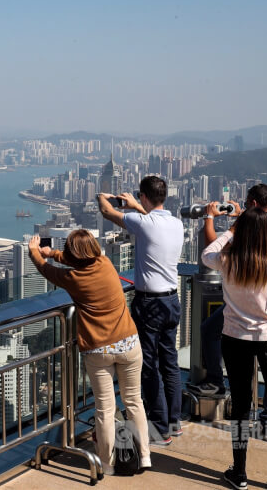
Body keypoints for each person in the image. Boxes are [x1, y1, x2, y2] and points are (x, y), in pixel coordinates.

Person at [27, 231, 151, 475]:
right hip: (129, 343)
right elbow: (79, 258)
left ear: (73, 256)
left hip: (99, 348)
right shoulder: (105, 263)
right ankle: (145, 455)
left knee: (104, 409)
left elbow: (45, 270)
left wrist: (36, 252)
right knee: (134, 401)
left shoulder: (73, 278)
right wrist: (52, 253)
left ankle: (107, 463)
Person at [202, 207, 267, 490]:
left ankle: (240, 472)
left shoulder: (227, 261)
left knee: (241, 406)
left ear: (243, 233)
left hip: (235, 339)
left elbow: (206, 254)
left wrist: (231, 231)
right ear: (266, 234)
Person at [197, 184, 267, 442]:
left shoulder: (257, 228)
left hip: (248, 314)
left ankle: (219, 384)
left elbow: (211, 251)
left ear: (255, 204)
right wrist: (240, 218)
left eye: (247, 205)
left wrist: (217, 221)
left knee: (210, 332)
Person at [98, 176, 184, 445]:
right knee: (170, 363)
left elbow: (107, 212)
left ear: (144, 196)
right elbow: (152, 220)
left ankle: (159, 428)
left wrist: (104, 196)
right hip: (172, 301)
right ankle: (174, 421)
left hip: (150, 304)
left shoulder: (143, 222)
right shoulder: (176, 223)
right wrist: (136, 205)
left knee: (148, 365)